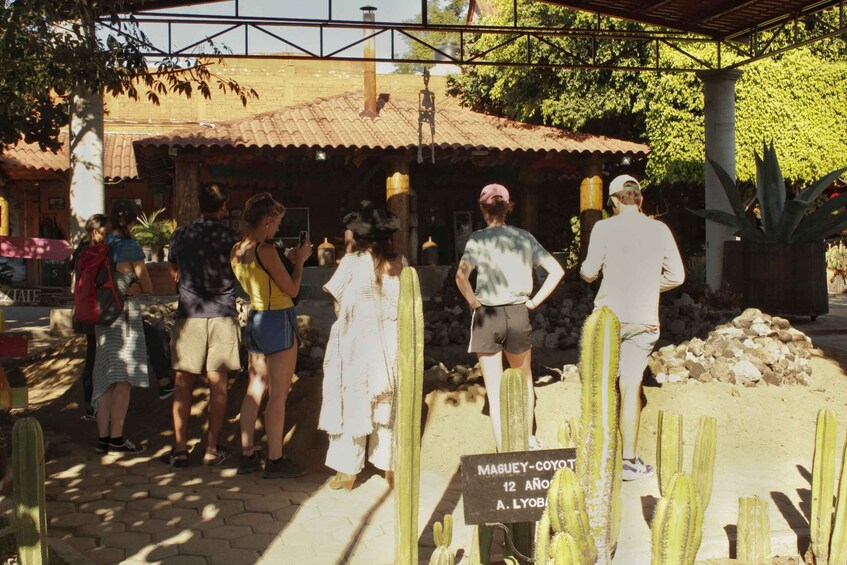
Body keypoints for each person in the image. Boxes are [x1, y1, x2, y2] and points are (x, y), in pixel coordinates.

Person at [580, 174, 685, 481]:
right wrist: (651, 285)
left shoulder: (603, 227)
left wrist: (593, 276)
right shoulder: (659, 229)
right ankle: (628, 461)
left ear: (613, 200)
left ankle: (598, 456)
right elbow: (677, 276)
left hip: (610, 316)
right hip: (643, 317)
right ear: (640, 198)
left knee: (601, 385)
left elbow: (588, 272)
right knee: (630, 387)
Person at [455, 184, 565, 452]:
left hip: (486, 315)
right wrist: (534, 302)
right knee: (524, 379)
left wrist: (473, 302)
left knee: (494, 389)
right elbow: (557, 271)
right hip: (518, 312)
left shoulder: (477, 239)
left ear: (483, 209)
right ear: (508, 207)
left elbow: (461, 276)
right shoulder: (524, 237)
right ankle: (526, 439)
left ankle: (502, 448)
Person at [318, 201, 405, 491]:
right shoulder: (401, 264)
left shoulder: (351, 263)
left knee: (352, 401)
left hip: (356, 340)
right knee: (387, 405)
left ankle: (347, 470)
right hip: (390, 342)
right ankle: (389, 465)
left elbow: (337, 304)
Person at [231, 192, 312, 478]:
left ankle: (246, 454)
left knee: (254, 388)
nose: (278, 229)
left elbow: (260, 278)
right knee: (278, 394)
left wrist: (285, 258)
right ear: (266, 221)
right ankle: (275, 460)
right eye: (276, 223)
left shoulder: (238, 249)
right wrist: (299, 261)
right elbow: (291, 289)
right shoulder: (266, 250)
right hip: (277, 318)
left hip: (255, 317)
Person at [161, 183, 241, 468]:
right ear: (223, 207)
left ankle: (180, 450)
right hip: (222, 313)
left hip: (189, 314)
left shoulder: (181, 234)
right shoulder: (232, 237)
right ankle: (210, 450)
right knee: (218, 386)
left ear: (198, 206)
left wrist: (183, 279)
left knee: (182, 385)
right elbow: (238, 270)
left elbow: (172, 269)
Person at [91, 199, 152, 454]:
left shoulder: (99, 246)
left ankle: (103, 439)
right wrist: (135, 287)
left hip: (103, 317)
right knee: (123, 380)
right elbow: (148, 286)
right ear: (130, 222)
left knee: (106, 379)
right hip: (125, 318)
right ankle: (117, 439)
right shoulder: (131, 248)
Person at [69, 214, 110, 421]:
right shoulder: (98, 252)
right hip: (98, 310)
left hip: (83, 310)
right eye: (105, 232)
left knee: (92, 355)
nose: (107, 236)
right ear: (95, 231)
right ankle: (96, 405)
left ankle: (91, 404)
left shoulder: (80, 252)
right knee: (97, 358)